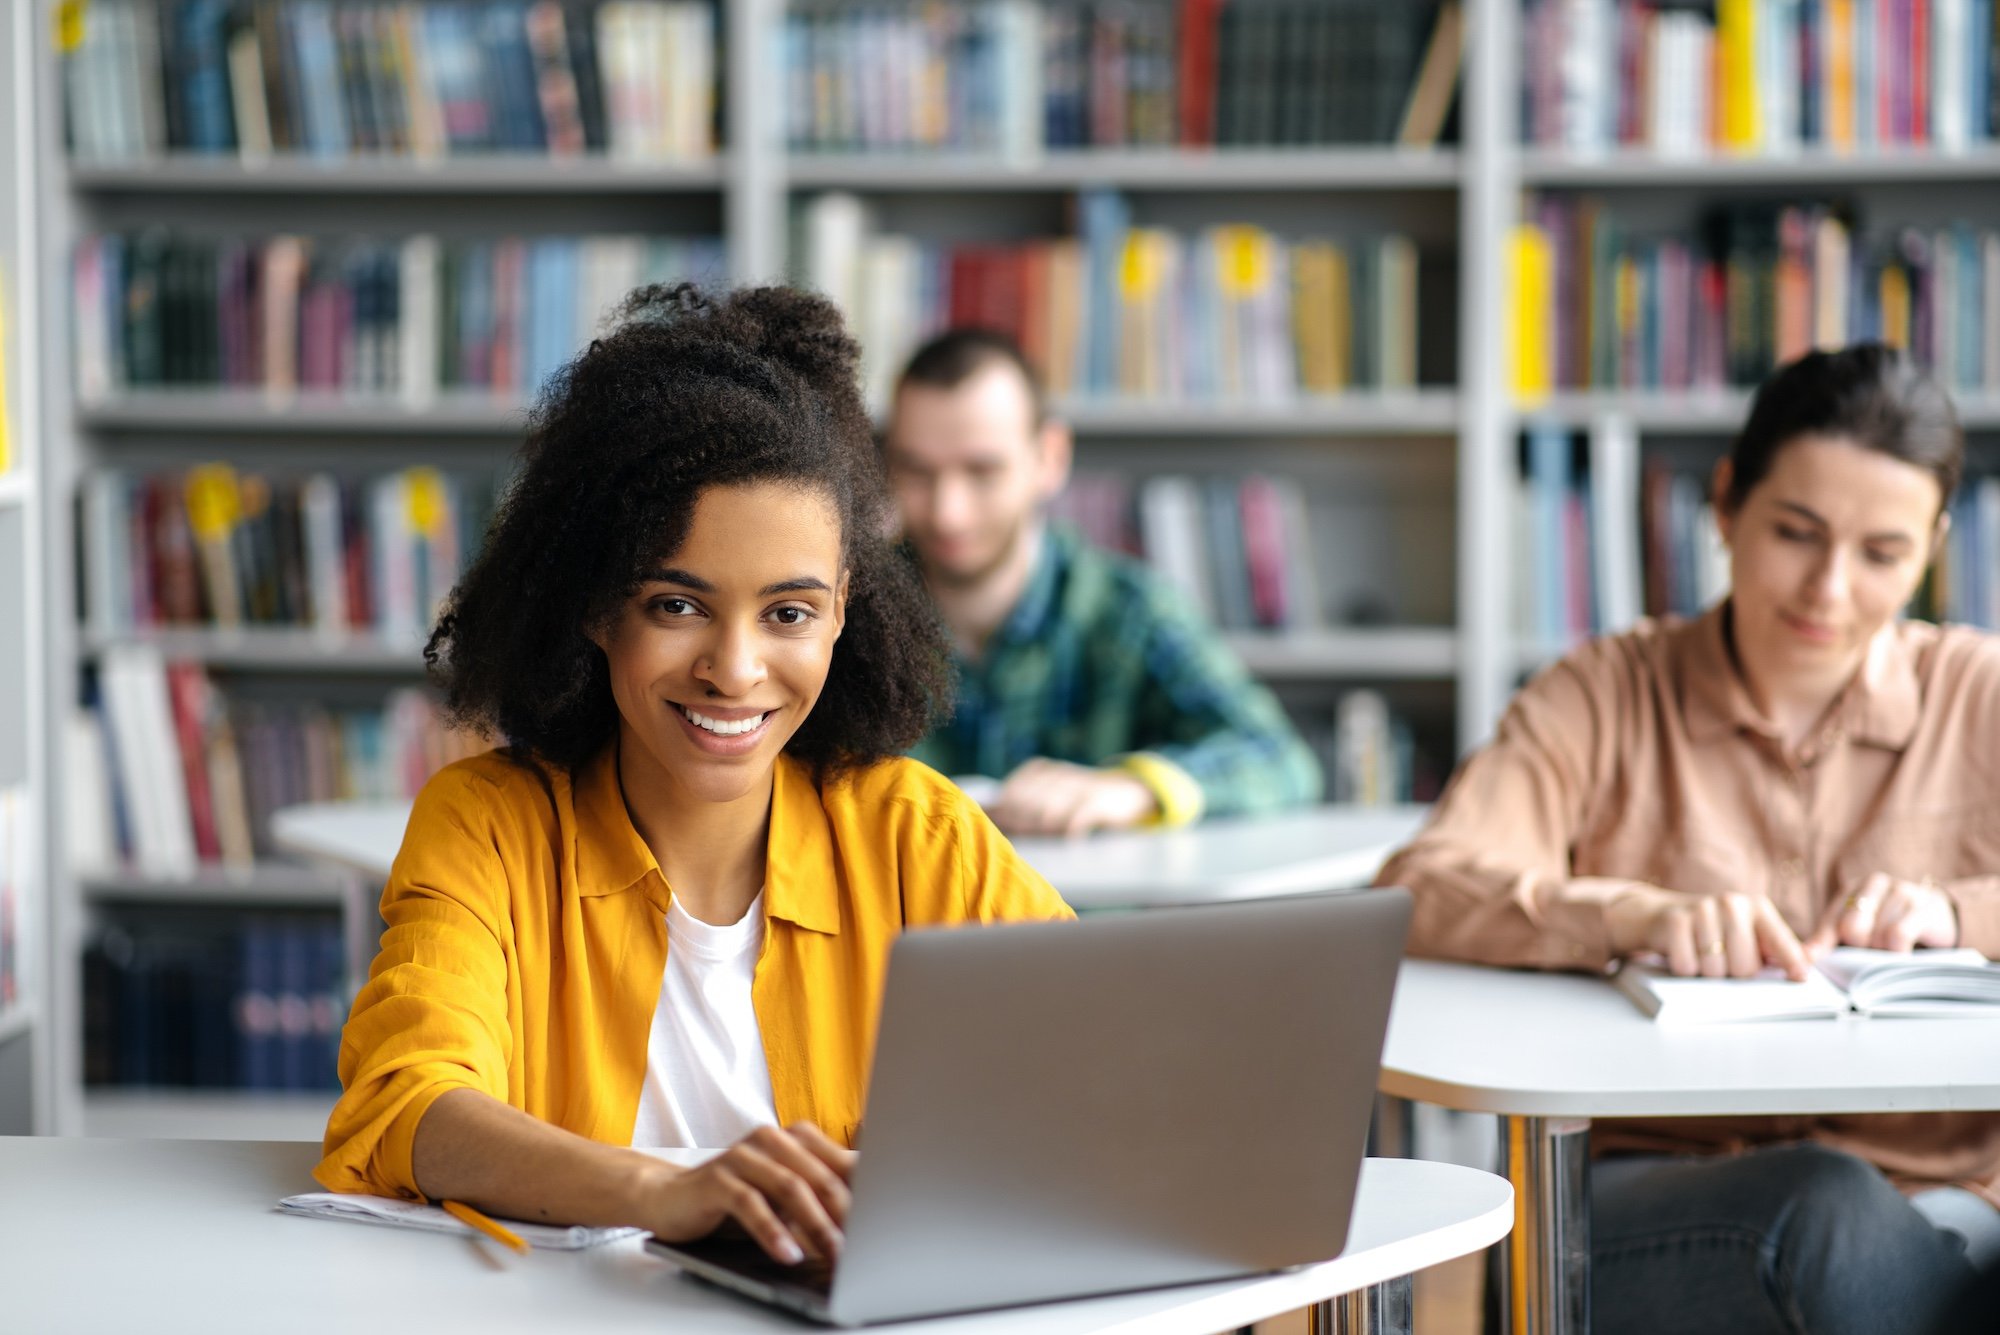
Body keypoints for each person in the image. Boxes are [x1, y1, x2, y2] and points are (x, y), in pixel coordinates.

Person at [315, 285, 1073, 1268]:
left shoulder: (917, 838)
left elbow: (1102, 1075)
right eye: (677, 605)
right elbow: (405, 1109)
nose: (735, 669)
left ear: (843, 611)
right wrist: (668, 1192)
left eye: (789, 614)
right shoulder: (488, 826)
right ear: (597, 608)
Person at [1377, 343, 2000, 1335]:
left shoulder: (1977, 692)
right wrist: (1629, 914)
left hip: (1958, 1193)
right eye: (1794, 534)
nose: (1827, 591)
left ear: (1931, 543)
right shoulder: (1604, 692)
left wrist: (1955, 909)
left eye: (1881, 554)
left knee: (1895, 1243)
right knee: (1829, 1210)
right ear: (1724, 505)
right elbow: (1425, 886)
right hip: (1670, 1197)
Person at [882, 328, 1322, 836]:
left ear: (1050, 458)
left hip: (1082, 915)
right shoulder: (843, 613)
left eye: (982, 471)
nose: (947, 512)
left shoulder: (1131, 611)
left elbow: (1279, 758)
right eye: (915, 471)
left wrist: (1133, 789)